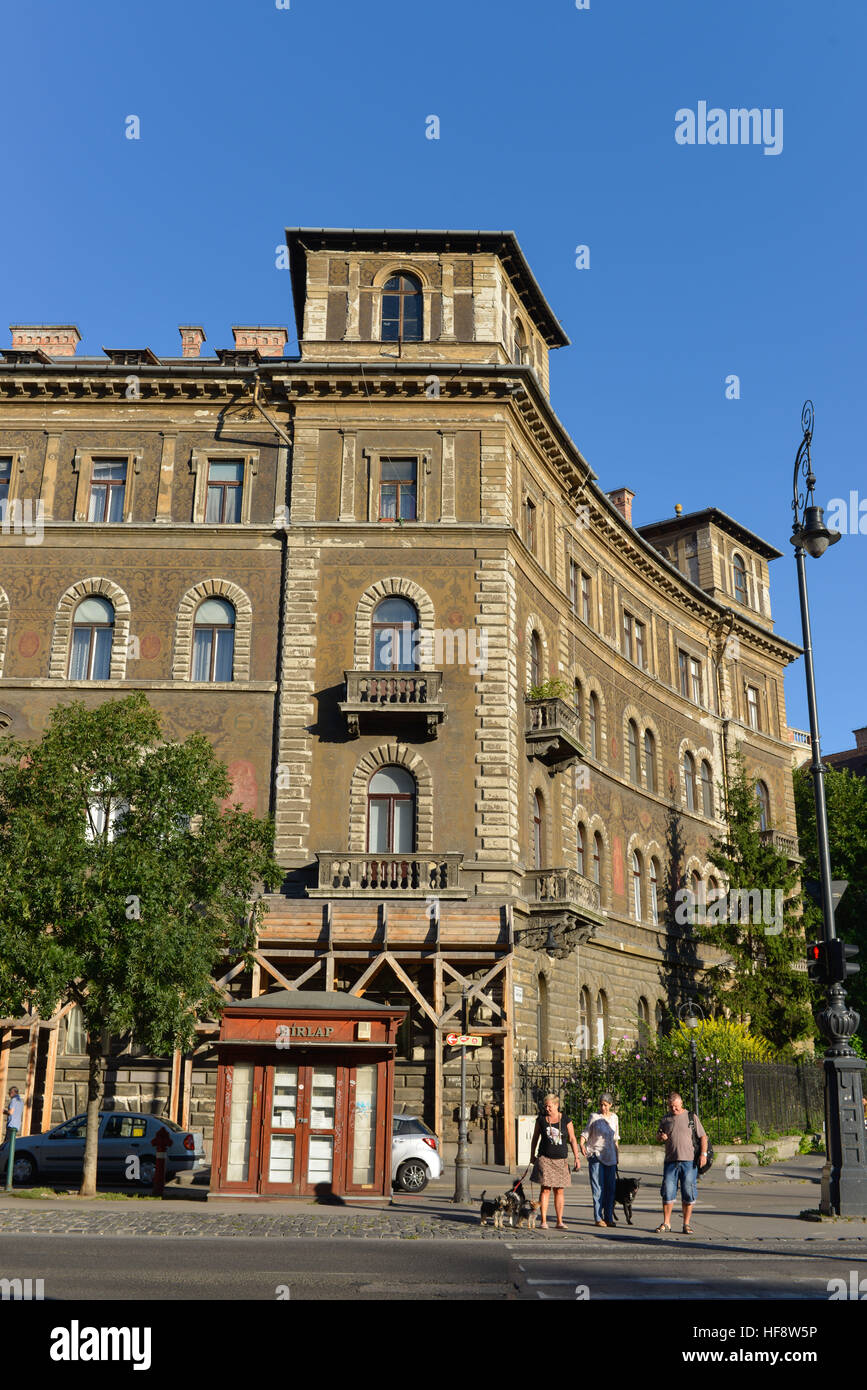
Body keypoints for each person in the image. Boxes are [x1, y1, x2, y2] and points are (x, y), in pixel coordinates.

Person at [655, 1091, 707, 1234]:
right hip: (671, 1161)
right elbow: (658, 1136)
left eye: (676, 1107)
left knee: (688, 1192)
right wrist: (661, 1137)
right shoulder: (666, 1119)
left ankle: (686, 1224)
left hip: (689, 1162)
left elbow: (703, 1137)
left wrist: (703, 1154)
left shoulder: (691, 1117)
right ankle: (666, 1223)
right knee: (667, 1192)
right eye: (671, 1107)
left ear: (681, 1103)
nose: (674, 1110)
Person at [529, 1093, 581, 1231]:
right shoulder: (541, 1120)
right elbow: (535, 1138)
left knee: (559, 1190)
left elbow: (572, 1139)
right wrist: (532, 1155)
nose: (547, 1108)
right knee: (545, 1190)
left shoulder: (566, 1120)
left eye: (549, 1106)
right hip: (545, 1159)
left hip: (561, 1160)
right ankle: (544, 1221)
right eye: (545, 1106)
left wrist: (576, 1157)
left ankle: (559, 1221)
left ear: (557, 1105)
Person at [580, 1091, 620, 1227]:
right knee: (598, 1188)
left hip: (611, 1157)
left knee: (610, 1189)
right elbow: (586, 1132)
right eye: (601, 1105)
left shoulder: (615, 1118)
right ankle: (598, 1217)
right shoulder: (594, 1117)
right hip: (596, 1155)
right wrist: (581, 1143)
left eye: (605, 1105)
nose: (603, 1108)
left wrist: (617, 1155)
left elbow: (616, 1138)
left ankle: (608, 1217)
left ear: (610, 1105)